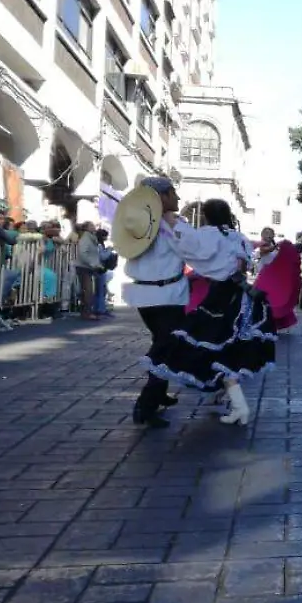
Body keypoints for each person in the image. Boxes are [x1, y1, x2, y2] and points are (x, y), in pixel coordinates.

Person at [142, 198, 276, 426]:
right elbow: (243, 264)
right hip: (242, 298)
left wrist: (168, 217)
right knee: (226, 354)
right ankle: (237, 406)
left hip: (220, 300)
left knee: (209, 350)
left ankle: (239, 407)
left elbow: (187, 244)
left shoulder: (208, 235)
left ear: (207, 216)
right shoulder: (238, 237)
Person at [115, 178, 188, 429]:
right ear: (163, 196)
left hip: (147, 295)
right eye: (173, 193)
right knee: (166, 347)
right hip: (166, 295)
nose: (178, 198)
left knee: (163, 342)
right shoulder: (170, 225)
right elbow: (192, 250)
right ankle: (146, 404)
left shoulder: (139, 222)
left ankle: (159, 392)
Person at [255, 239, 302, 332]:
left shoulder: (276, 253)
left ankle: (272, 324)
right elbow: (263, 251)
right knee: (268, 304)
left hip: (270, 282)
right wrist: (276, 245)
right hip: (264, 281)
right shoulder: (263, 252)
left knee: (273, 304)